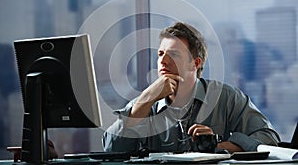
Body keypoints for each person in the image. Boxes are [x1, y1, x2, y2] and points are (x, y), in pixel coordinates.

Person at [102, 22, 280, 154]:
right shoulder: (145, 103)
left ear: (195, 63)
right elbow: (111, 150)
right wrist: (144, 100)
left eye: (173, 54)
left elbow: (269, 138)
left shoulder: (226, 97)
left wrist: (220, 146)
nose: (163, 61)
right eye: (160, 54)